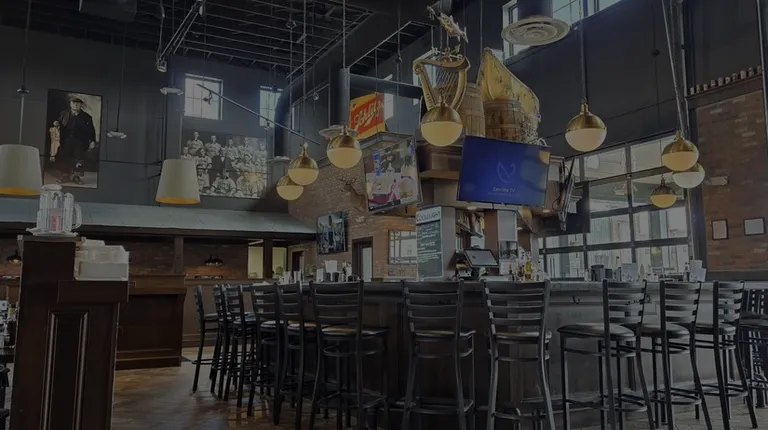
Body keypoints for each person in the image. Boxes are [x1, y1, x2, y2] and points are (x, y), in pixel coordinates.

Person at [50, 95, 96, 184]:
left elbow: (91, 130)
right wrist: (56, 123)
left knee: (78, 158)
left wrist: (92, 141)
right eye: (73, 103)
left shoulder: (87, 117)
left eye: (78, 103)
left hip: (80, 141)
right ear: (70, 104)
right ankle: (65, 175)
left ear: (81, 105)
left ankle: (76, 176)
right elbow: (58, 123)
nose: (75, 105)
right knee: (65, 157)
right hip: (66, 140)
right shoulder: (63, 114)